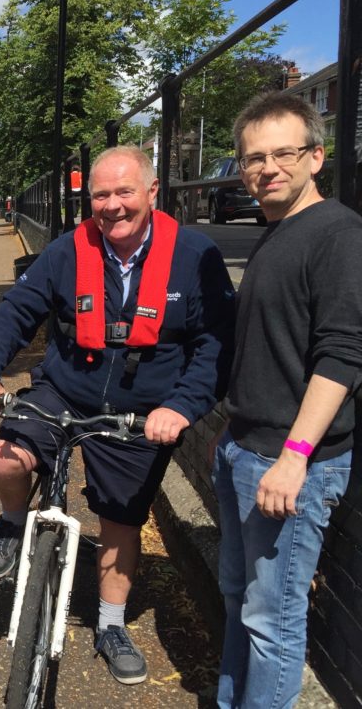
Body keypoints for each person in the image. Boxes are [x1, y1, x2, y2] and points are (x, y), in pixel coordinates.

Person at [0, 145, 234, 685]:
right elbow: (18, 311)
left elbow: (216, 345)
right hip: (65, 390)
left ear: (153, 193)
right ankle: (13, 523)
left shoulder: (195, 255)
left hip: (142, 409)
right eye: (101, 195)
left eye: (124, 192)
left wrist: (180, 408)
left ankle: (111, 625)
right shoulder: (67, 250)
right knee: (6, 460)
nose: (112, 206)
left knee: (121, 521)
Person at [211, 92, 362, 708]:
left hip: (288, 463)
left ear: (316, 157)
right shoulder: (277, 232)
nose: (267, 168)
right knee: (237, 601)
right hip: (242, 447)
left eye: (283, 154)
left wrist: (296, 456)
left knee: (272, 623)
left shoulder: (339, 235)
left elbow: (344, 355)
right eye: (253, 158)